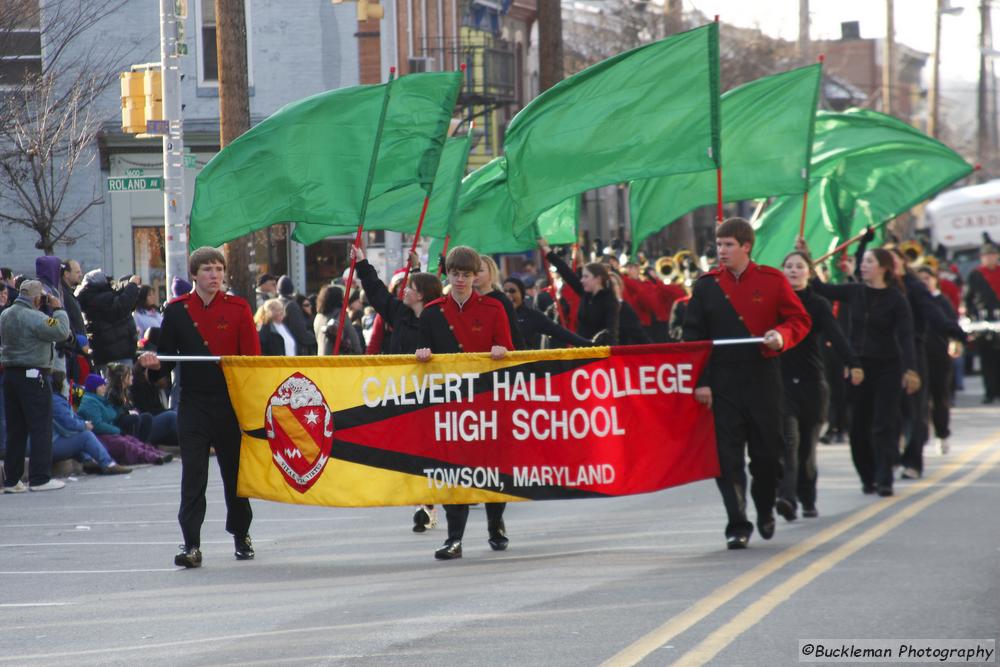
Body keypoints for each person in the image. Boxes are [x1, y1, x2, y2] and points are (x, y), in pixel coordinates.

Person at [682, 219, 812, 549]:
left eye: (728, 245)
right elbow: (693, 338)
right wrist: (701, 381)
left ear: (746, 247)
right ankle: (737, 523)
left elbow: (799, 319)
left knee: (767, 455)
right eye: (719, 244)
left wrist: (781, 337)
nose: (721, 251)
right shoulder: (707, 285)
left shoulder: (771, 280)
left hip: (763, 377)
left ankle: (765, 507)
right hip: (723, 380)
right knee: (726, 458)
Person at [138, 246, 261, 569]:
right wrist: (152, 364)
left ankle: (241, 534)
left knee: (235, 475)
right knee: (193, 475)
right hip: (192, 403)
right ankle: (191, 543)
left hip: (229, 404)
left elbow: (254, 362)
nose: (215, 275)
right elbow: (164, 361)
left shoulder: (238, 308)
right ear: (194, 274)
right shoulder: (177, 311)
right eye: (207, 269)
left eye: (219, 269)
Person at [416, 245, 513, 560]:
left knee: (491, 469)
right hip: (449, 404)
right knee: (453, 472)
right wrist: (421, 355)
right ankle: (453, 538)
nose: (460, 280)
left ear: (476, 277)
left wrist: (501, 350)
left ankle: (495, 523)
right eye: (455, 274)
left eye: (466, 275)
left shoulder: (494, 308)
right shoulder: (432, 311)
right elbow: (418, 350)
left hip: (485, 402)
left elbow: (510, 349)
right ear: (448, 274)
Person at [808, 246, 919, 497]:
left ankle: (884, 477)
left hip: (889, 367)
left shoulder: (896, 299)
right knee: (859, 426)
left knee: (884, 424)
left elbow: (906, 336)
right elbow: (820, 288)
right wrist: (807, 257)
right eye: (863, 261)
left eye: (869, 261)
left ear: (883, 268)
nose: (863, 265)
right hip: (858, 368)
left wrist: (910, 369)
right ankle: (867, 476)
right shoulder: (855, 291)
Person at [352, 244, 445, 532]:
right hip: (402, 394)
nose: (403, 289)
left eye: (411, 286)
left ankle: (428, 505)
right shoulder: (399, 314)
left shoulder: (440, 320)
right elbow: (377, 293)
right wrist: (362, 263)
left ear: (421, 294)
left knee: (429, 452)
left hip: (432, 396)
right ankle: (422, 503)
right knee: (410, 452)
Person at [777, 251, 862, 521]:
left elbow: (836, 336)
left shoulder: (818, 303)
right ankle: (786, 498)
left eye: (799, 266)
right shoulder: (774, 302)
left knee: (806, 449)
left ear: (809, 273)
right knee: (788, 444)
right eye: (788, 266)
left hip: (813, 383)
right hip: (781, 383)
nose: (793, 270)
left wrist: (853, 362)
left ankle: (807, 498)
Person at [1, 279, 71, 492]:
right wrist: (58, 309)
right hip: (34, 375)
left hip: (10, 376)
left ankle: (12, 480)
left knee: (16, 429)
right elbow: (61, 332)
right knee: (40, 425)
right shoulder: (36, 317)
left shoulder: (5, 315)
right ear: (36, 298)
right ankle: (40, 478)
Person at [77, 373, 172, 465]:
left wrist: (122, 408)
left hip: (110, 431)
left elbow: (113, 414)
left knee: (133, 440)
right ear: (94, 388)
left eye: (104, 385)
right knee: (126, 444)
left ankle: (156, 453)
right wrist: (117, 430)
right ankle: (153, 457)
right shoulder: (89, 402)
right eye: (101, 386)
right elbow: (97, 425)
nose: (104, 387)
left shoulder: (101, 400)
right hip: (101, 436)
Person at [50, 371, 131, 475]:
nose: (68, 386)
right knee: (85, 436)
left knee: (80, 435)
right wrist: (84, 425)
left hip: (50, 441)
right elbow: (68, 424)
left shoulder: (58, 399)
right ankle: (108, 464)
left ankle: (88, 461)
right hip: (49, 444)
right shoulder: (56, 401)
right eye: (65, 382)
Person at [540, 239, 620, 345]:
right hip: (582, 351)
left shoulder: (609, 300)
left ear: (598, 279)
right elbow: (566, 272)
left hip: (599, 353)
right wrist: (547, 251)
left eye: (586, 277)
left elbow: (612, 332)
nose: (582, 280)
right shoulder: (586, 294)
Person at [917, 266, 961, 456]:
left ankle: (942, 435)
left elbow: (951, 324)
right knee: (919, 401)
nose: (924, 282)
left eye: (927, 278)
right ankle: (919, 437)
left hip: (939, 356)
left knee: (939, 398)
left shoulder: (941, 301)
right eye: (921, 279)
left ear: (935, 279)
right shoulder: (915, 300)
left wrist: (955, 342)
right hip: (920, 356)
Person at [502, 277, 591, 350]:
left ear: (521, 294)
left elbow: (560, 332)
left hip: (525, 367)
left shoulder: (532, 316)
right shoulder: (497, 315)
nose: (508, 295)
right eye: (505, 291)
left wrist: (591, 345)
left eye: (512, 291)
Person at [76, 270, 142, 368]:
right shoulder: (97, 299)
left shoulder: (94, 297)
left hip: (113, 353)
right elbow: (121, 306)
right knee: (120, 382)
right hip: (116, 355)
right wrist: (132, 285)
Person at [965, 242, 1000, 403]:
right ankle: (989, 391)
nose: (990, 258)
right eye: (987, 256)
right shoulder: (975, 274)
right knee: (986, 358)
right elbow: (969, 299)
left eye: (992, 255)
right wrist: (971, 320)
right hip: (983, 320)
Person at [476, 254, 527, 350]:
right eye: (472, 270)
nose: (475, 274)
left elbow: (514, 332)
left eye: (480, 270)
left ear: (491, 274)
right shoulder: (468, 300)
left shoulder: (501, 300)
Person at [314, 284, 363, 355]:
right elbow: (354, 340)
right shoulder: (341, 315)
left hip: (322, 359)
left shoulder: (318, 317)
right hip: (338, 361)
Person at [276, 275, 316, 355]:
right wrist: (317, 338)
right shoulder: (292, 306)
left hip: (280, 349)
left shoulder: (275, 304)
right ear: (292, 289)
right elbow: (301, 334)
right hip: (294, 351)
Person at [609, 273, 653, 345]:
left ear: (620, 287)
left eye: (613, 284)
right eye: (608, 284)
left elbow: (639, 335)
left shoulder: (625, 308)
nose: (610, 287)